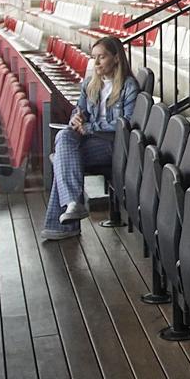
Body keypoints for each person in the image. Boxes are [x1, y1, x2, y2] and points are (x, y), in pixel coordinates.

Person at [40, 34, 137, 242]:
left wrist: (90, 127)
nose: (96, 63)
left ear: (116, 58)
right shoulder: (90, 84)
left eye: (102, 57)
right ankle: (73, 205)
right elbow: (80, 109)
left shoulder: (129, 86)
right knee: (65, 134)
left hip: (113, 144)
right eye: (94, 58)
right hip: (90, 140)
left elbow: (125, 123)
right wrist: (77, 117)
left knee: (61, 159)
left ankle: (65, 222)